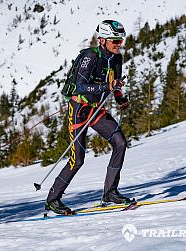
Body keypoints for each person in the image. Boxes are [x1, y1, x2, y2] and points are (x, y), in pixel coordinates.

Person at [45, 20, 132, 215]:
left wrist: (120, 98)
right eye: (114, 41)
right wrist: (105, 87)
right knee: (78, 159)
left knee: (120, 142)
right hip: (79, 109)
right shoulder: (90, 57)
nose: (119, 44)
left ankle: (110, 193)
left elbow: (115, 83)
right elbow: (80, 86)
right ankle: (53, 199)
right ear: (102, 40)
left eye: (120, 40)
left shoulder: (117, 58)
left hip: (96, 109)